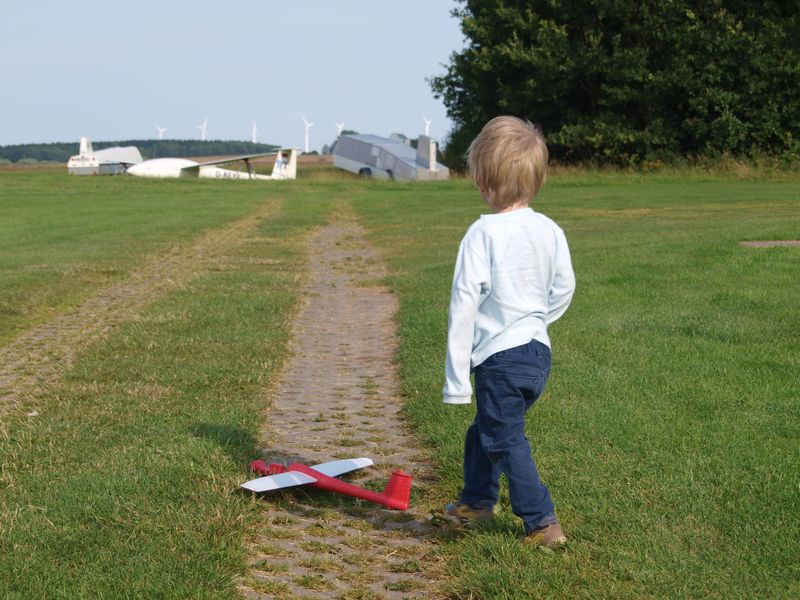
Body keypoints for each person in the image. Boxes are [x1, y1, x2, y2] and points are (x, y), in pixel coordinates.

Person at [442, 116, 576, 547]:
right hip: (537, 354)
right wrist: (537, 321)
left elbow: (464, 305)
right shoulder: (549, 229)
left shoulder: (482, 234)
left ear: (480, 179)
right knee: (486, 429)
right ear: (537, 179)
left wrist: (456, 380)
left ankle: (542, 522)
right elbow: (565, 287)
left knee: (504, 437)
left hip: (500, 359)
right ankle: (477, 501)